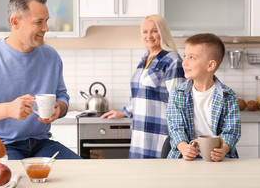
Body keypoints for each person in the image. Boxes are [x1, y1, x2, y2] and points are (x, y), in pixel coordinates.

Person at [0, 0, 80, 160]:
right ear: (15, 22)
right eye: (39, 22)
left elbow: (62, 96)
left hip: (41, 144)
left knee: (82, 173)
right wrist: (8, 109)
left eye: (46, 21)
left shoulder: (51, 57)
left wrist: (59, 108)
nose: (46, 28)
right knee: (17, 183)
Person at [101, 14, 185, 158]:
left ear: (163, 32)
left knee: (159, 177)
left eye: (154, 31)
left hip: (160, 132)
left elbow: (178, 101)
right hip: (140, 132)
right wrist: (123, 112)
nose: (149, 36)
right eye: (145, 32)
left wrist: (179, 137)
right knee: (140, 176)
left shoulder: (172, 60)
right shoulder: (144, 59)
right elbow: (141, 95)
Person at [167, 33, 241, 161]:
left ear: (210, 65)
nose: (184, 63)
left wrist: (223, 150)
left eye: (192, 57)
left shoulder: (228, 96)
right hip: (185, 158)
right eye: (185, 56)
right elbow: (175, 128)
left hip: (218, 160)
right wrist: (184, 147)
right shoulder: (178, 93)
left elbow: (231, 132)